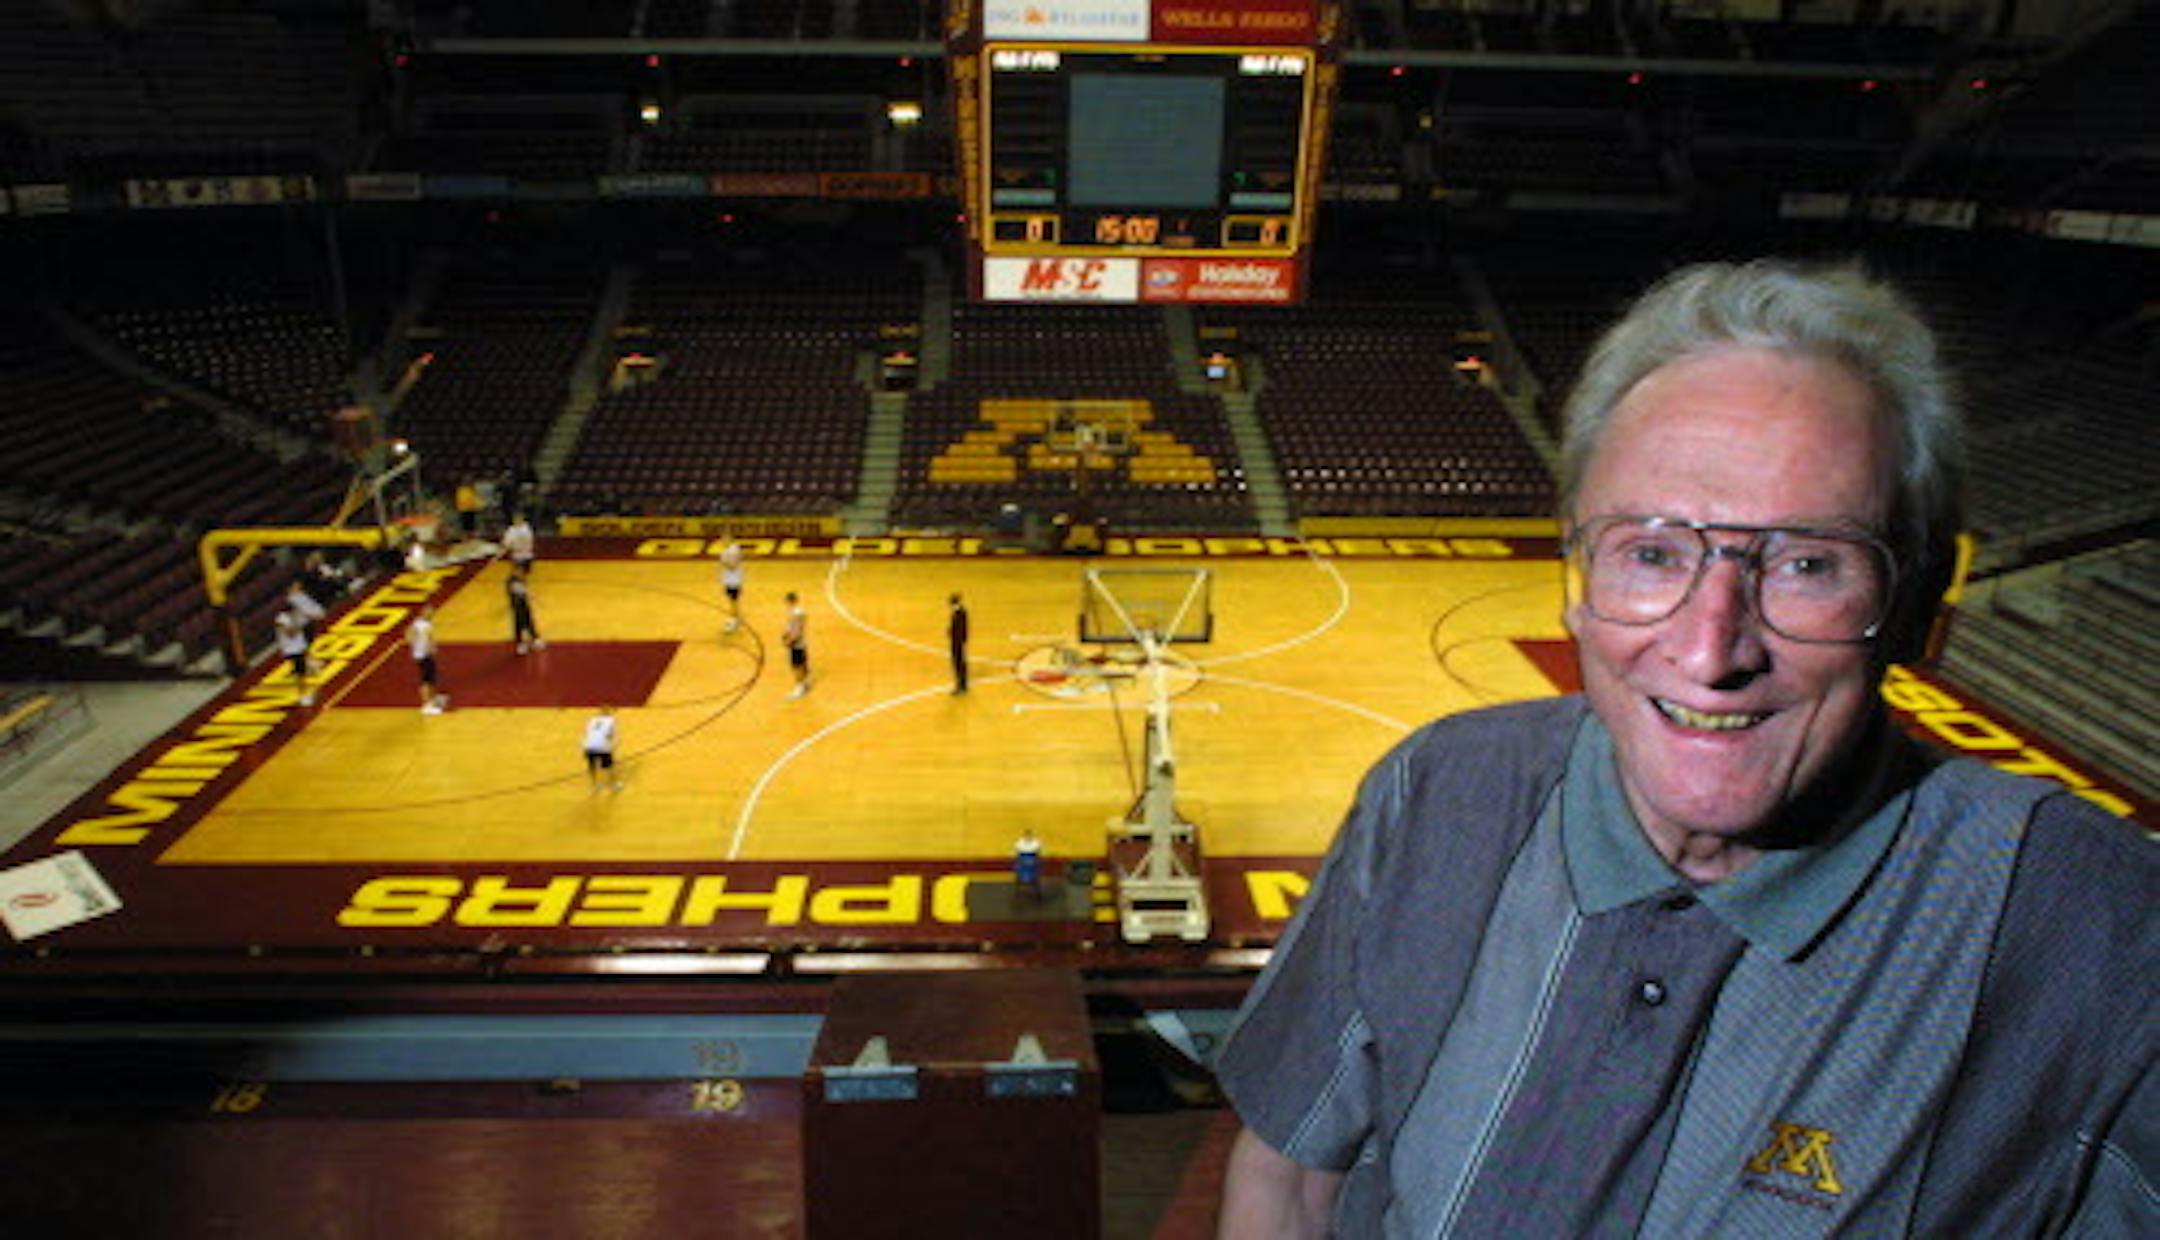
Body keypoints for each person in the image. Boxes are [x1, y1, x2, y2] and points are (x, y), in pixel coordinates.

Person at [1213, 261, 2155, 1238]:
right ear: (1577, 581)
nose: (1711, 649)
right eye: (1652, 552)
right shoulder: (1435, 790)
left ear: (1916, 607)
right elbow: (1289, 1177)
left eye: (1806, 563)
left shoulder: (2104, 937)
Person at [408, 602, 448, 715]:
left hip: (426, 654)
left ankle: (434, 699)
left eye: (432, 612)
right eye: (429, 611)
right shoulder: (421, 624)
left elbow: (412, 635)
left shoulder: (422, 623)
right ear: (423, 611)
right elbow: (412, 635)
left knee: (432, 677)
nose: (431, 613)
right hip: (422, 655)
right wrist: (423, 647)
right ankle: (427, 705)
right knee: (426, 680)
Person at [273, 606, 313, 707]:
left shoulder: (296, 615)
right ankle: (303, 696)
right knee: (300, 674)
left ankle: (305, 692)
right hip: (291, 650)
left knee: (303, 672)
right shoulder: (281, 619)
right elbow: (291, 633)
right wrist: (298, 623)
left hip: (300, 647)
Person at [583, 705, 621, 792]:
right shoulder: (611, 720)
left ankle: (594, 785)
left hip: (588, 744)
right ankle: (613, 785)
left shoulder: (592, 720)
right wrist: (613, 746)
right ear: (609, 712)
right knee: (609, 765)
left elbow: (588, 732)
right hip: (601, 745)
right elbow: (610, 735)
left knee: (592, 765)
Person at [507, 565, 544, 654]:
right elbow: (519, 591)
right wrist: (530, 595)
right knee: (519, 624)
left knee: (529, 621)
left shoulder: (520, 579)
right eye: (519, 571)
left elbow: (524, 591)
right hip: (517, 606)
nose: (521, 573)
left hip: (524, 604)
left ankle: (535, 639)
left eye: (521, 572)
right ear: (515, 571)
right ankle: (521, 644)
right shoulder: (511, 581)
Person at [782, 591, 810, 699]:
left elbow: (797, 630)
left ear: (790, 601)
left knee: (796, 665)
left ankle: (799, 687)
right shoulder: (797, 612)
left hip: (797, 643)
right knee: (802, 663)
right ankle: (805, 683)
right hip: (801, 642)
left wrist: (790, 641)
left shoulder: (795, 614)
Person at [718, 540, 746, 634]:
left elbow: (732, 565)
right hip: (736, 580)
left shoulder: (728, 552)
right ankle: (736, 619)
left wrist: (724, 562)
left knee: (733, 601)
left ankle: (733, 621)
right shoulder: (736, 548)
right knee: (734, 601)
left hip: (732, 581)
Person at [500, 512, 536, 577]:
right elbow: (506, 541)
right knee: (517, 572)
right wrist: (507, 545)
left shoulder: (526, 529)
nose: (517, 521)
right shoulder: (511, 530)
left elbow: (528, 540)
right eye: (515, 520)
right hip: (516, 555)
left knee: (526, 573)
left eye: (519, 520)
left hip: (526, 554)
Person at [948, 592, 970, 694]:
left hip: (958, 642)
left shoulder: (960, 613)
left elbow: (961, 629)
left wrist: (956, 637)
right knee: (958, 663)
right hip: (957, 641)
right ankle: (962, 684)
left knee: (959, 663)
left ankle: (962, 685)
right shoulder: (960, 612)